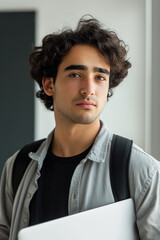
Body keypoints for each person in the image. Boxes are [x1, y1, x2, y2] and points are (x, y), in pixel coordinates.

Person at [0, 15, 160, 240]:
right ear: (49, 84)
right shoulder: (17, 166)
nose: (89, 89)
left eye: (100, 77)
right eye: (75, 74)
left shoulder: (141, 170)